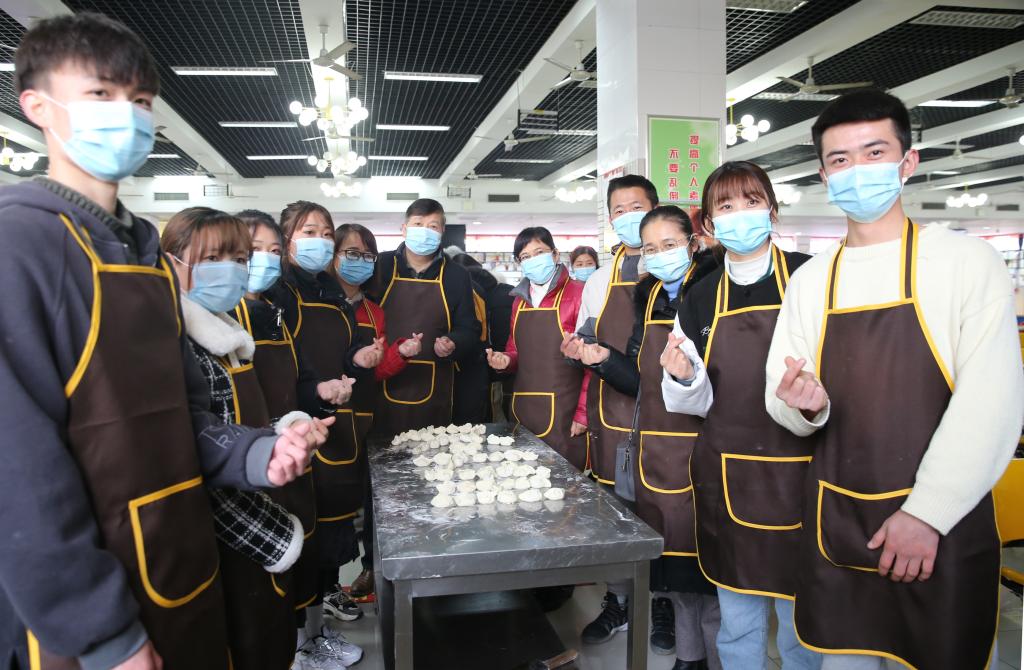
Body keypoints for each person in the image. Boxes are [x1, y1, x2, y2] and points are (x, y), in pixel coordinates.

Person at [0, 13, 322, 670]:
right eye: (100, 94)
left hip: (180, 561)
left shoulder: (140, 254)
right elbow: (17, 472)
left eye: (140, 100)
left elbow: (182, 418)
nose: (127, 115)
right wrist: (101, 632)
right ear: (37, 107)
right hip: (91, 610)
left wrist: (258, 453)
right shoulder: (21, 247)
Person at [765, 89, 1023, 670]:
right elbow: (780, 393)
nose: (858, 170)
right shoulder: (811, 281)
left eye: (874, 152)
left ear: (908, 162)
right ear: (824, 176)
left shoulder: (965, 262)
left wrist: (927, 513)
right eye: (840, 159)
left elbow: (991, 405)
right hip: (840, 522)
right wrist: (803, 407)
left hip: (943, 526)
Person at [162, 207, 345, 670]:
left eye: (241, 259)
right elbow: (191, 445)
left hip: (266, 496)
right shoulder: (170, 342)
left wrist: (289, 429)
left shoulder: (235, 331)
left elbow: (249, 415)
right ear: (171, 261)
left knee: (267, 636)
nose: (234, 269)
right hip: (226, 533)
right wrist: (272, 534)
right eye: (214, 258)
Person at [662, 163, 819, 670]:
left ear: (771, 209)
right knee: (738, 616)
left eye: (751, 202)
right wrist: (684, 376)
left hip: (803, 470)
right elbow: (693, 402)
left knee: (803, 619)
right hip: (728, 475)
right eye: (726, 206)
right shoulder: (700, 295)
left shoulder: (811, 276)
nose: (740, 215)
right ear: (709, 224)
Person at [574, 206, 721, 670]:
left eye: (669, 245)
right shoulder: (650, 294)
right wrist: (603, 359)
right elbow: (641, 381)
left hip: (702, 448)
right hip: (657, 449)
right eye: (651, 248)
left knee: (710, 570)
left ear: (693, 243)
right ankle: (689, 656)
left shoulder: (715, 292)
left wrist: (688, 378)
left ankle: (714, 659)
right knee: (675, 565)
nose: (660, 256)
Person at [235, 209, 362, 668]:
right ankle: (289, 650)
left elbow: (302, 380)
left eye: (272, 251)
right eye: (254, 251)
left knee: (302, 550)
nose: (266, 260)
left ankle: (310, 638)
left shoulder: (275, 312)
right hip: (251, 461)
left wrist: (322, 394)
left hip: (293, 450)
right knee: (262, 569)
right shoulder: (224, 318)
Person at [266, 201, 383, 665]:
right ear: (287, 239)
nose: (320, 240)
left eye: (326, 232)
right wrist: (314, 391)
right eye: (308, 231)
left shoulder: (331, 292)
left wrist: (359, 359)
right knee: (299, 536)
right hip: (292, 427)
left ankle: (316, 631)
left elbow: (346, 347)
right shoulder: (278, 293)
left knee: (326, 539)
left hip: (334, 424)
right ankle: (297, 643)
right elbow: (281, 366)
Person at [561, 175, 669, 649]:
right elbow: (588, 337)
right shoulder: (600, 280)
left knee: (664, 512)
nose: (627, 217)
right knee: (616, 517)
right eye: (618, 210)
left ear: (655, 209)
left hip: (665, 416)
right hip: (611, 413)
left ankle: (664, 603)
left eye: (636, 207)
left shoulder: (679, 272)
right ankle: (619, 601)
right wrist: (576, 352)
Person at [332, 223, 421, 600]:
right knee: (330, 501)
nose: (360, 261)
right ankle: (325, 585)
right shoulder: (316, 303)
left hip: (364, 415)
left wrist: (399, 354)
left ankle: (371, 566)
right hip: (323, 416)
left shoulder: (373, 311)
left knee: (371, 496)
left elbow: (378, 370)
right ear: (333, 255)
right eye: (351, 253)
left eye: (367, 255)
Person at [365, 198, 481, 433]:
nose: (425, 231)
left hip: (435, 384)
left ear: (442, 231)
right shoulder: (381, 266)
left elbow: (469, 328)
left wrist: (453, 342)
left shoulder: (456, 275)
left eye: (433, 226)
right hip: (381, 375)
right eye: (418, 224)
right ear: (404, 229)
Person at [485, 227, 590, 470]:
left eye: (539, 252)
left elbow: (593, 363)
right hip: (524, 408)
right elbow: (515, 350)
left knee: (565, 479)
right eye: (525, 256)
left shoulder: (579, 293)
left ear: (555, 254)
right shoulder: (519, 301)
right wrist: (505, 361)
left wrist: (583, 413)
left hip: (566, 410)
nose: (533, 260)